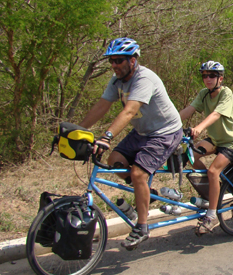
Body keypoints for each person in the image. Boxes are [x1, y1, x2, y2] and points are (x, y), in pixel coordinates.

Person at [78, 37, 183, 249]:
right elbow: (102, 106)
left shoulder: (144, 79)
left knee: (137, 174)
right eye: (111, 61)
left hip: (164, 132)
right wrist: (78, 130)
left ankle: (142, 226)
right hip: (142, 131)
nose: (114, 65)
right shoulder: (117, 80)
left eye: (118, 60)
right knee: (115, 160)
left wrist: (107, 136)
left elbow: (129, 111)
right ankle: (149, 192)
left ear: (133, 61)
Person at [178, 61, 233, 234]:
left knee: (213, 172)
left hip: (232, 142)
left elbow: (216, 114)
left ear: (220, 78)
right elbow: (189, 109)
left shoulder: (226, 93)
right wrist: (169, 124)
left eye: (212, 76)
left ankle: (212, 214)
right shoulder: (203, 94)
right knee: (190, 156)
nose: (207, 79)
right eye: (204, 76)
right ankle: (211, 194)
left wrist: (199, 128)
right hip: (216, 139)